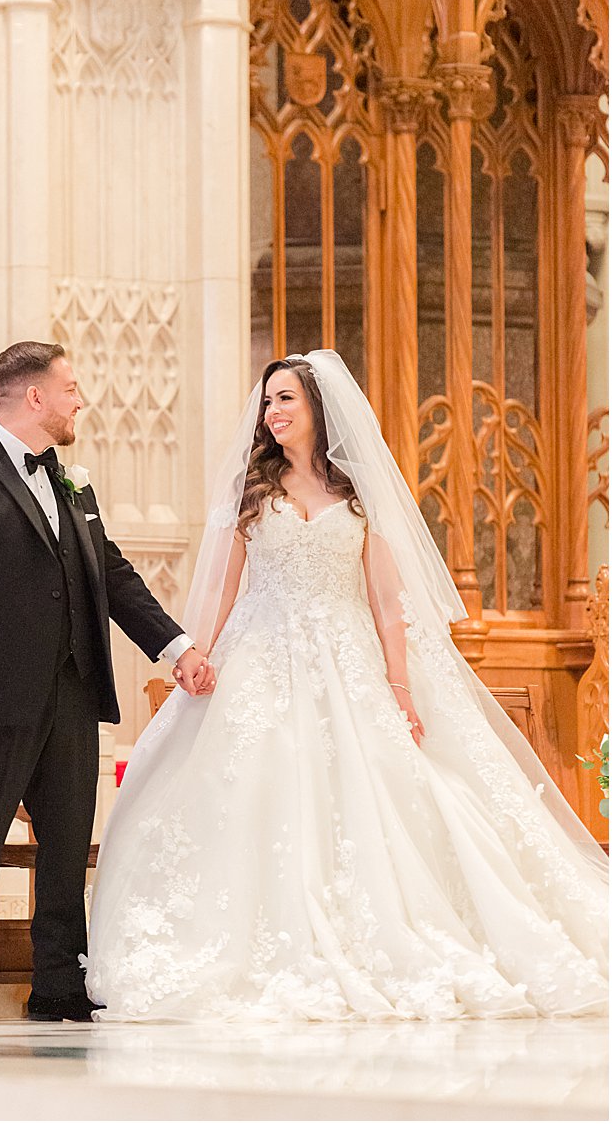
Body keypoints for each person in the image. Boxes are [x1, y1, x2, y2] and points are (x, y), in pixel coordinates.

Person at [83, 350, 608, 1021]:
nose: (272, 412)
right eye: (268, 401)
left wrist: (399, 683)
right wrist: (196, 652)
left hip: (351, 660)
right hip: (263, 658)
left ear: (316, 409)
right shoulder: (252, 488)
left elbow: (387, 601)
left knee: (391, 796)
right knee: (251, 784)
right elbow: (218, 586)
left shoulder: (359, 493)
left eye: (285, 400)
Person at [0, 340, 209, 1027]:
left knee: (68, 842)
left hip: (72, 694)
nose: (82, 401)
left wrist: (178, 647)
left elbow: (118, 581)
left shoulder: (75, 486)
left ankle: (57, 981)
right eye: (71, 387)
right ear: (35, 396)